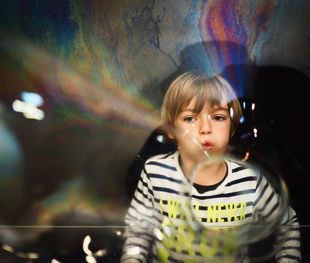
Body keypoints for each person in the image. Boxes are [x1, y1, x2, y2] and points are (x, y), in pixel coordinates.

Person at [121, 72, 301, 263]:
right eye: (190, 118)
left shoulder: (249, 180)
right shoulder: (156, 173)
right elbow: (137, 231)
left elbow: (287, 224)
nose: (205, 128)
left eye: (218, 117)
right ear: (171, 129)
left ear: (232, 128)